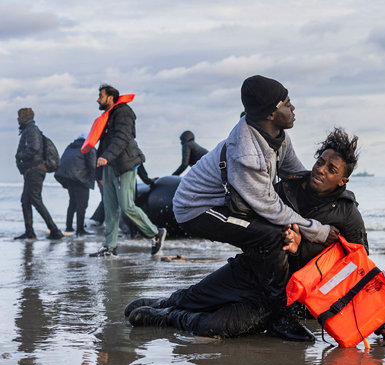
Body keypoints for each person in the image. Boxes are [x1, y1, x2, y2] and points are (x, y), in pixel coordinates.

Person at [127, 128, 385, 344]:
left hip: (284, 294)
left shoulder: (347, 214)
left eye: (331, 168)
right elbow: (254, 229)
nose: (320, 169)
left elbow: (360, 271)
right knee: (193, 297)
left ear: (343, 179)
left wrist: (383, 329)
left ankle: (167, 317)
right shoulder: (286, 188)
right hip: (249, 270)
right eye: (320, 161)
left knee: (218, 326)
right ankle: (167, 302)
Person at [171, 75, 338, 336]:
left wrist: (332, 188)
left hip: (230, 202)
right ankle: (279, 316)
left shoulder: (279, 136)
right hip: (197, 207)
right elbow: (269, 206)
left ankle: (188, 300)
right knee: (271, 237)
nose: (293, 108)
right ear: (272, 113)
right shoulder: (246, 153)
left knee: (268, 241)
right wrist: (316, 230)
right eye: (288, 103)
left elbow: (295, 175)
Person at [89, 84, 166, 257]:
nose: (97, 99)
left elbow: (122, 138)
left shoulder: (124, 112)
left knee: (127, 206)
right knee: (110, 208)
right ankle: (110, 246)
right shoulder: (107, 116)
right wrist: (98, 173)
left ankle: (155, 233)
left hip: (125, 164)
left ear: (110, 97)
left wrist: (107, 157)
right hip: (108, 167)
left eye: (100, 96)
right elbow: (103, 145)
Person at [14, 108, 63, 240]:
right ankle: (29, 232)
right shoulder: (29, 129)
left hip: (35, 170)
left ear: (24, 117)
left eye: (19, 116)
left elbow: (34, 148)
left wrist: (20, 155)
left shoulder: (31, 130)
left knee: (35, 200)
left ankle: (54, 230)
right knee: (25, 201)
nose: (18, 119)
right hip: (32, 170)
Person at [54, 134, 97, 236]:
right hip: (81, 178)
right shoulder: (88, 146)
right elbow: (92, 164)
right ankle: (80, 230)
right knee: (82, 205)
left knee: (72, 203)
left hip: (68, 178)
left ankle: (69, 227)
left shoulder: (71, 147)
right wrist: (93, 179)